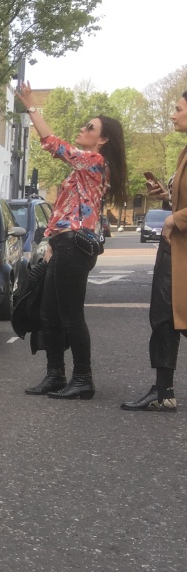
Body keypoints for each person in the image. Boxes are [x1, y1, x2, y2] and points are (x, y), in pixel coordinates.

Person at [15, 83, 128, 400]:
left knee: (71, 315)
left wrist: (32, 107)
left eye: (90, 127)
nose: (83, 128)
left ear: (102, 140)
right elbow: (66, 209)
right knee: (50, 314)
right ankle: (55, 375)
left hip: (76, 247)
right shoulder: (87, 167)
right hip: (64, 245)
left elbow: (53, 144)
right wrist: (51, 242)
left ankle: (83, 379)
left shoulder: (94, 161)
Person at [121, 89, 187, 412]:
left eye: (177, 109)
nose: (172, 115)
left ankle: (163, 392)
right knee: (163, 317)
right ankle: (163, 392)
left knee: (178, 318)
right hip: (173, 246)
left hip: (181, 248)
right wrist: (166, 194)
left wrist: (174, 218)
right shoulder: (184, 152)